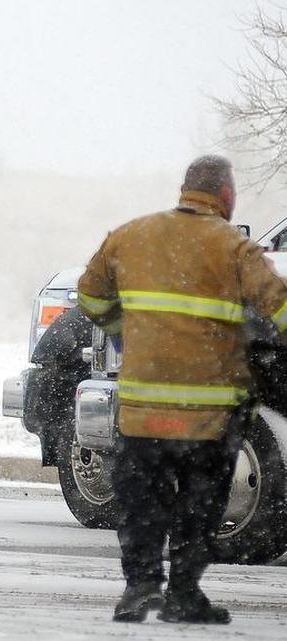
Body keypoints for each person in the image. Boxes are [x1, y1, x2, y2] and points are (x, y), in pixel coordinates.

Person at [77, 155, 287, 625]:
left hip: (142, 406)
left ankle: (139, 587)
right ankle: (184, 593)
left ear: (184, 189)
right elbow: (280, 310)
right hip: (207, 410)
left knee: (141, 498)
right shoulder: (235, 249)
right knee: (200, 502)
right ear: (227, 197)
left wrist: (125, 331)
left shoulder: (130, 236)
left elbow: (90, 296)